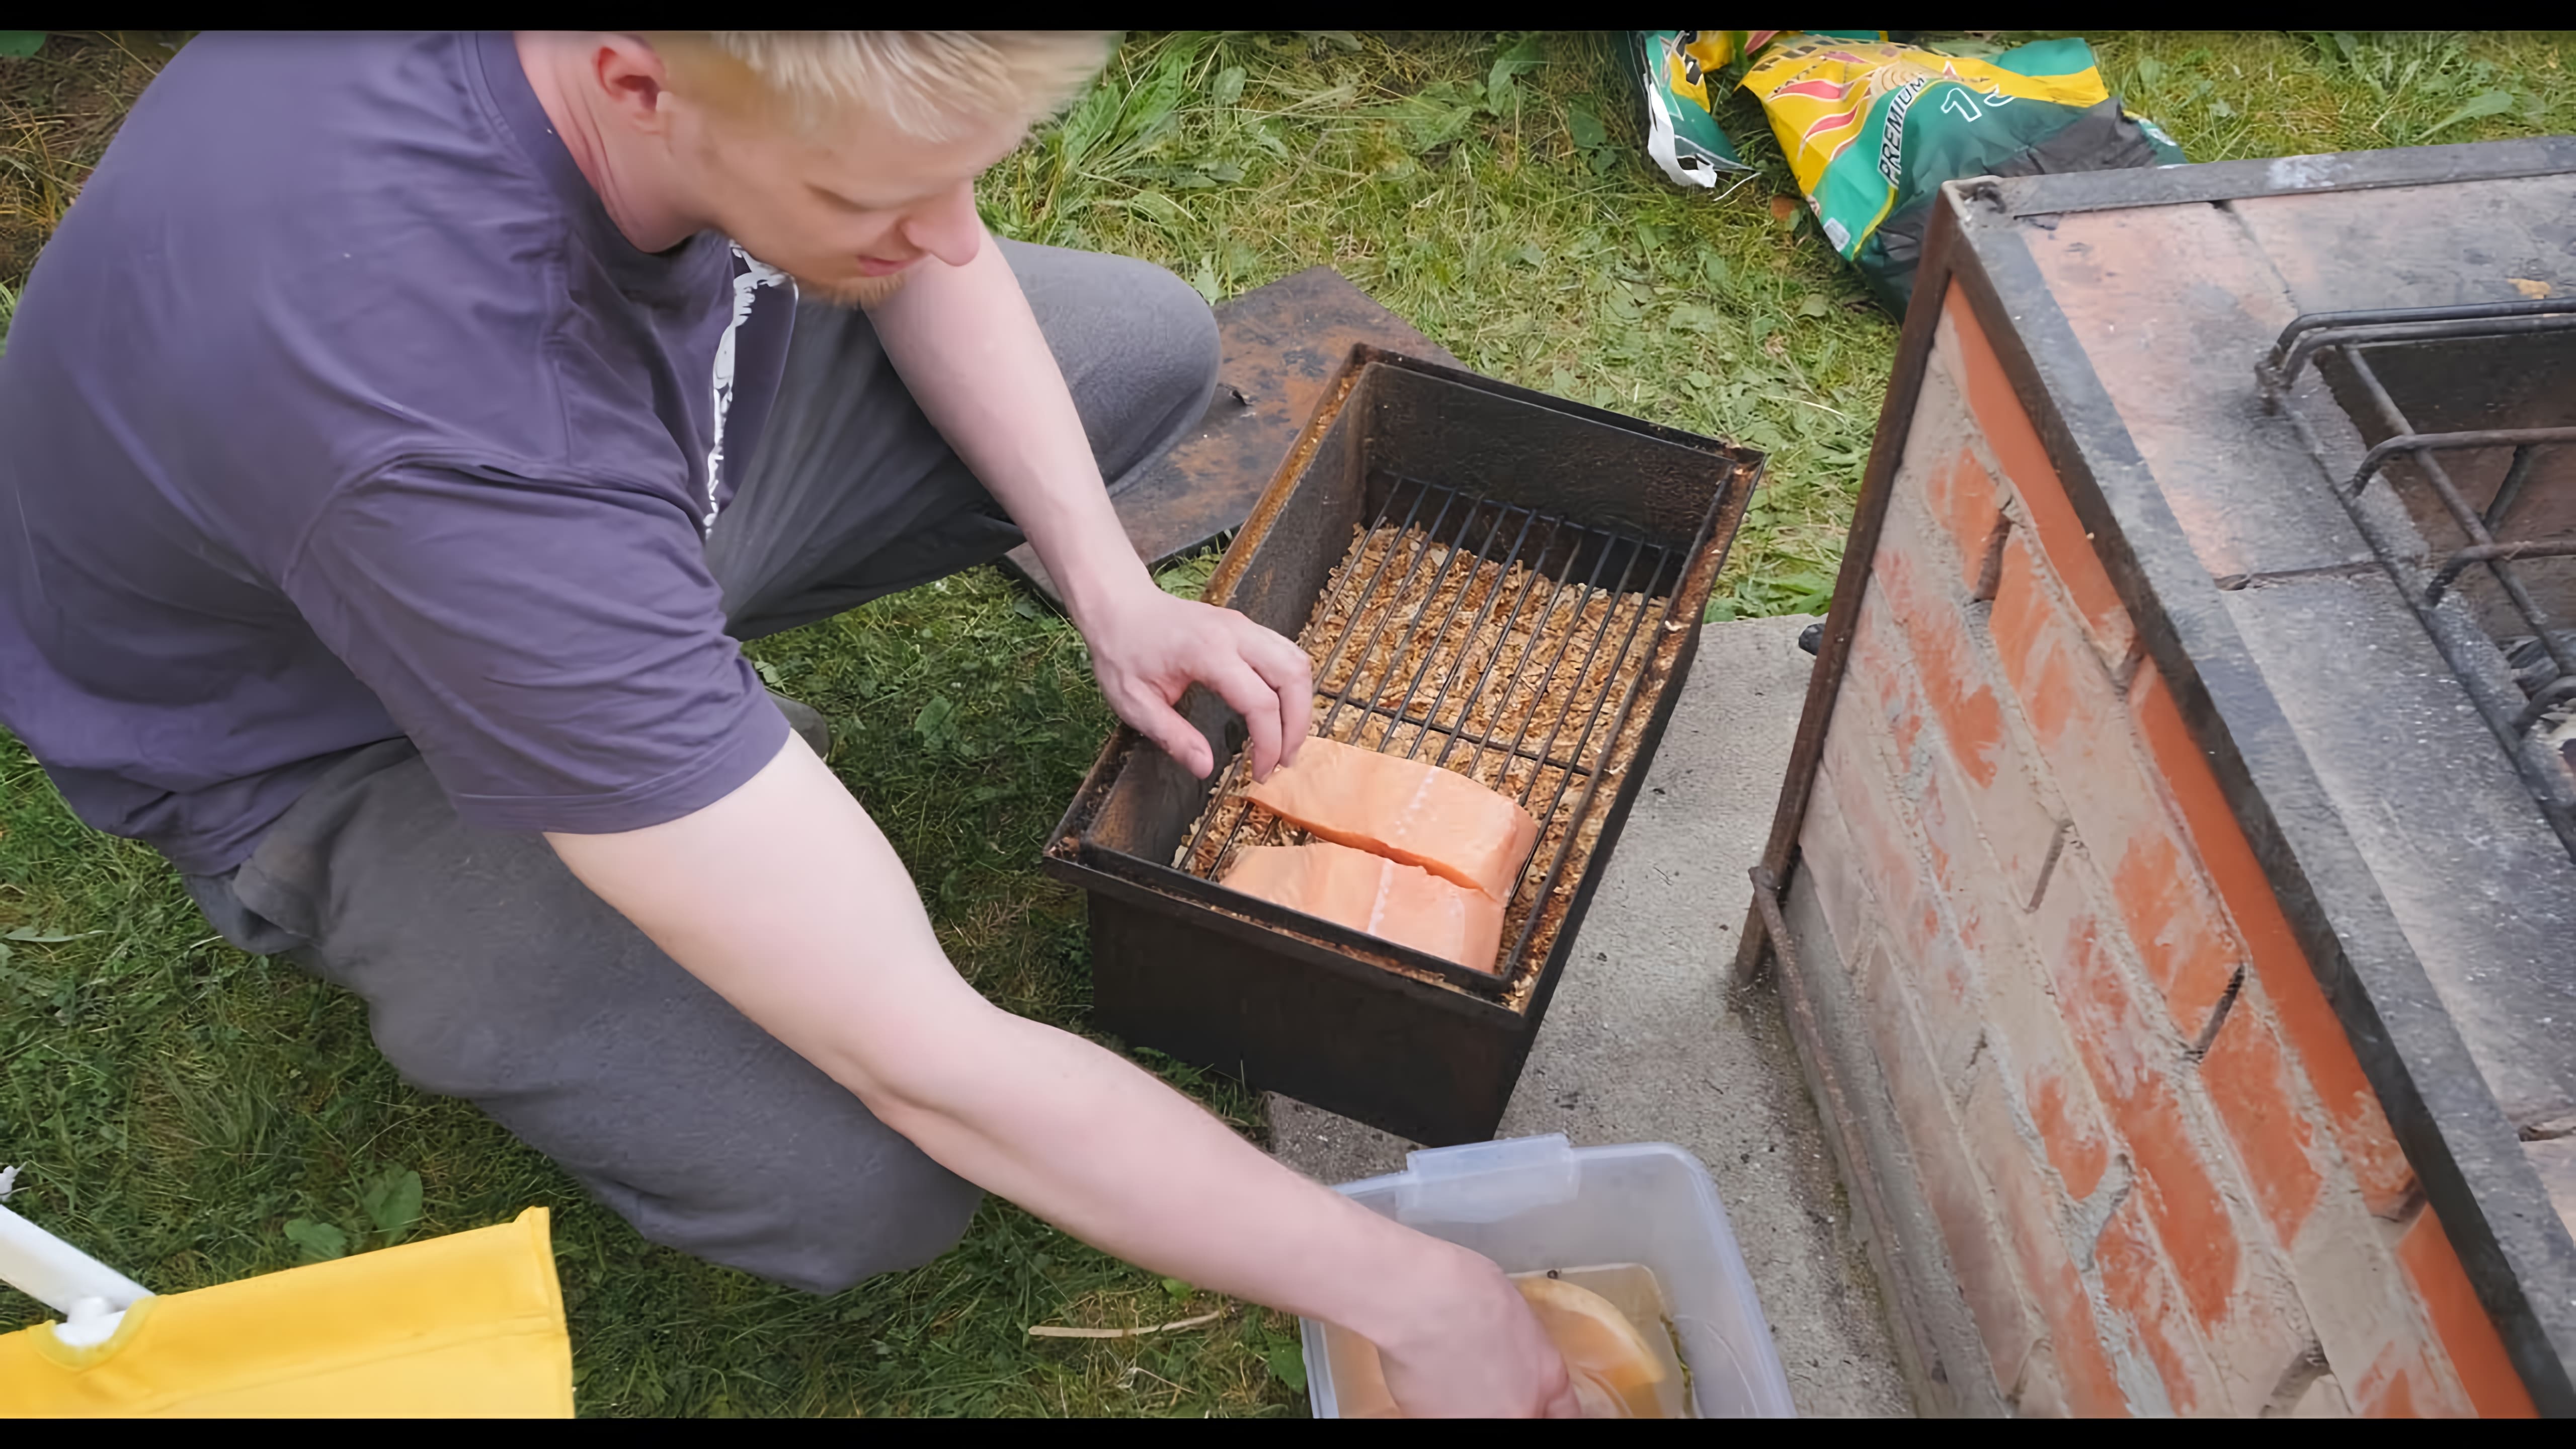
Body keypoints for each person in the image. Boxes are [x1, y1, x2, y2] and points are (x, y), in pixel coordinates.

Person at [0, 30, 1578, 1416]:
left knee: (1141, 348)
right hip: (322, 735)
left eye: (961, 177)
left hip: (562, 488)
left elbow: (927, 243)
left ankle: (645, 688)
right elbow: (928, 1059)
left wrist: (1114, 588)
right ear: (635, 78)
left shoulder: (673, 97)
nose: (940, 238)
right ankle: (567, 771)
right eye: (865, 202)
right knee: (862, 1178)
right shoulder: (453, 430)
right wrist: (1419, 1294)